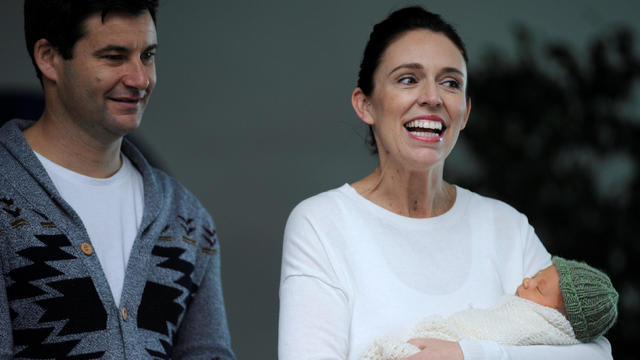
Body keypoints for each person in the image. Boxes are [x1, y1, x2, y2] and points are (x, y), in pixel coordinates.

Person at [278, 6, 613, 360]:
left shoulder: (506, 227)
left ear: (465, 112)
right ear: (366, 105)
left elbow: (595, 354)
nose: (433, 98)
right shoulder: (322, 224)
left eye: (450, 83)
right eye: (408, 79)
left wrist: (469, 354)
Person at [0, 1, 235, 358]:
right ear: (48, 58)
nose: (141, 79)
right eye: (114, 57)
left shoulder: (185, 218)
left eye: (148, 55)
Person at [361, 256, 619, 359]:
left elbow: (599, 355)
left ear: (558, 317)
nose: (527, 282)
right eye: (535, 275)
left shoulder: (539, 327)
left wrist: (470, 352)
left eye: (538, 288)